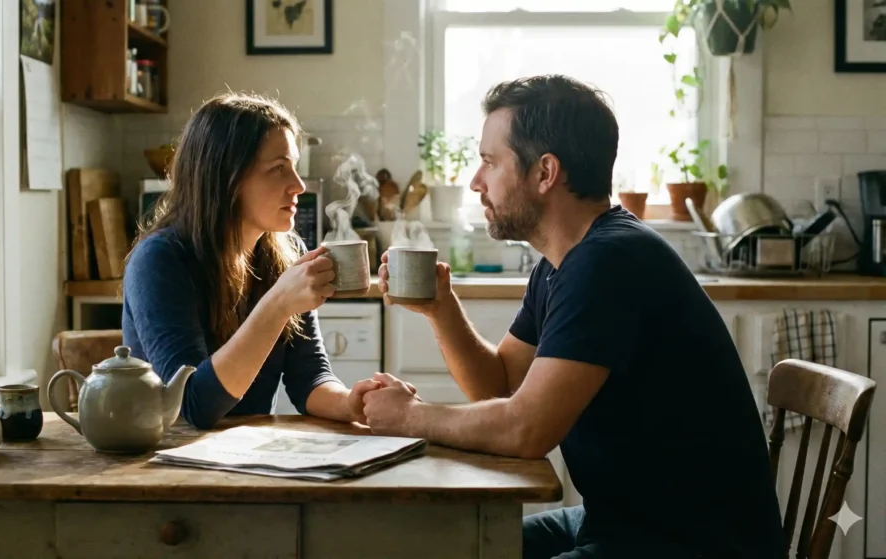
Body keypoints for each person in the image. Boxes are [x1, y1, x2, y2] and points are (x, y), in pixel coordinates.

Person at [362, 75, 786, 558]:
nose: (476, 182)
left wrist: (410, 417)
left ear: (545, 173)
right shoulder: (564, 264)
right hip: (622, 522)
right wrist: (441, 308)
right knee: (454, 548)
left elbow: (524, 431)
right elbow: (500, 387)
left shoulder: (608, 263)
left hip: (691, 543)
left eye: (488, 162)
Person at [121, 92, 382, 429]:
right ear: (227, 179)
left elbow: (310, 378)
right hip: (165, 463)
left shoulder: (287, 252)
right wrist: (278, 304)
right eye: (278, 169)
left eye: (295, 167)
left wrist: (351, 403)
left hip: (247, 458)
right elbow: (192, 405)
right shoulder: (159, 261)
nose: (298, 185)